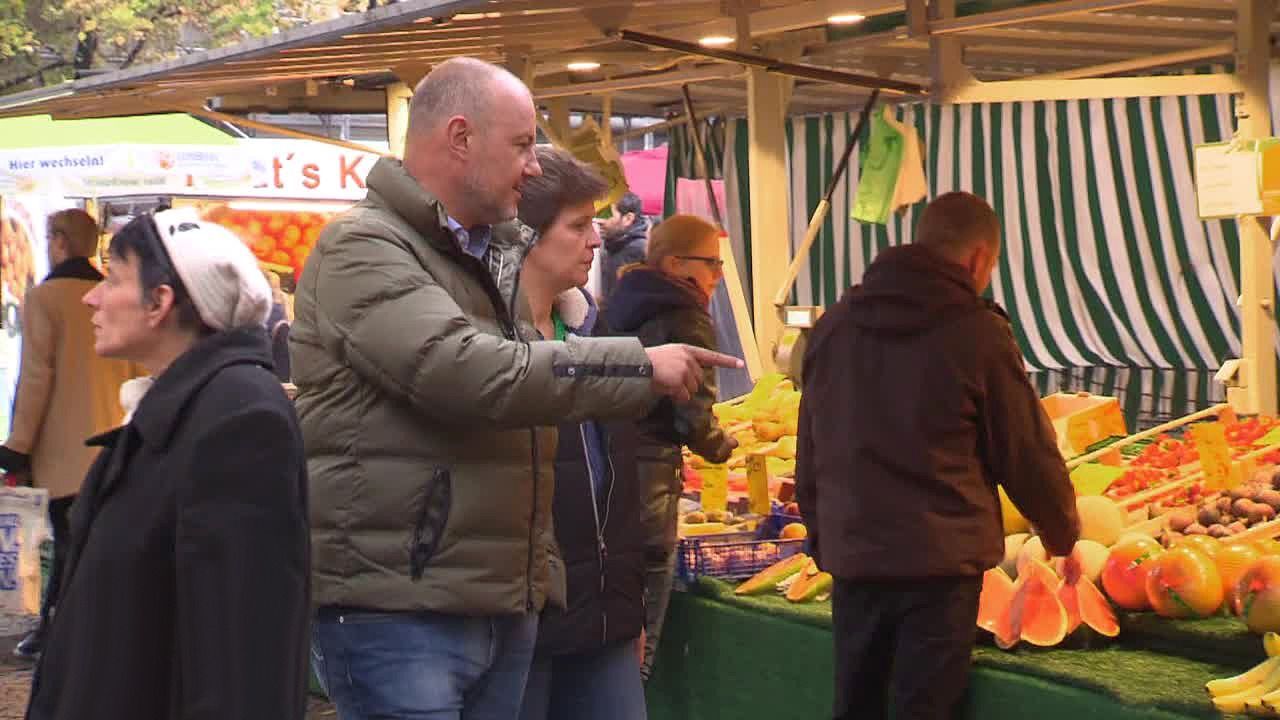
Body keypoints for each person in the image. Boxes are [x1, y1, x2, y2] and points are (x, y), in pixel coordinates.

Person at [291, 57, 740, 720]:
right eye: (523, 144)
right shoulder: (364, 248)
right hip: (402, 609)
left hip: (493, 604)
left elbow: (522, 372)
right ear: (460, 137)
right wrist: (639, 367)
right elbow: (470, 372)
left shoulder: (476, 256)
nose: (533, 166)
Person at [794, 192, 1080, 720]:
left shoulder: (834, 326)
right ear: (978, 260)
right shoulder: (978, 334)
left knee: (857, 706)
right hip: (938, 570)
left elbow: (810, 447)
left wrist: (821, 535)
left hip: (856, 558)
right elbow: (1024, 450)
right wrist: (1063, 534)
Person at [24, 208, 310, 720]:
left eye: (112, 279)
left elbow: (240, 655)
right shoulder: (177, 405)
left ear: (160, 302)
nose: (91, 295)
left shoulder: (239, 417)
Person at [515, 147, 648, 720]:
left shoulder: (592, 326)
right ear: (525, 237)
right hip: (524, 624)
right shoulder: (487, 347)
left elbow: (616, 478)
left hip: (604, 619)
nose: (596, 239)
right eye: (577, 225)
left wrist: (627, 604)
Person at [604, 213, 736, 681]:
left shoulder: (620, 302)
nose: (718, 276)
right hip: (652, 479)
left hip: (609, 471)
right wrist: (723, 446)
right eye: (713, 264)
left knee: (614, 628)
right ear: (677, 263)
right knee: (643, 635)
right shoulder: (685, 312)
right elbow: (691, 413)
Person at [0, 208, 136, 659]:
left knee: (69, 543)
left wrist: (18, 444)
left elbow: (37, 375)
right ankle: (84, 627)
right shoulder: (116, 294)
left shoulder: (46, 298)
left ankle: (57, 629)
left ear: (59, 242)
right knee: (95, 541)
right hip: (117, 442)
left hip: (63, 451)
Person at [599, 191, 648, 301]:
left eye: (607, 214)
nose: (600, 221)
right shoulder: (614, 246)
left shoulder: (639, 250)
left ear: (628, 218)